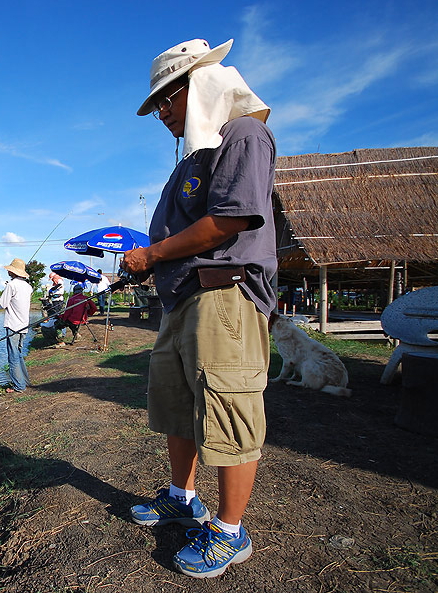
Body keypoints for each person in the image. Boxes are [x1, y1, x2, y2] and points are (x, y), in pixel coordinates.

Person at [120, 38, 277, 578]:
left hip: (224, 294)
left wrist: (152, 253)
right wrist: (147, 264)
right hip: (181, 297)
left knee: (229, 405)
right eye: (158, 104)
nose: (162, 112)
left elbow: (232, 219)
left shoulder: (243, 134)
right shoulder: (194, 154)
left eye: (168, 98)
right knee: (176, 402)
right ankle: (181, 497)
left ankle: (231, 532)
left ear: (201, 84)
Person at [0, 258, 33, 393]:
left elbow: (2, 304)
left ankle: (19, 386)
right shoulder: (28, 287)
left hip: (13, 325)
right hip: (24, 325)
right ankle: (24, 381)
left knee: (12, 356)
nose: (8, 271)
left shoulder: (11, 285)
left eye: (10, 270)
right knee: (18, 353)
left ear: (13, 271)